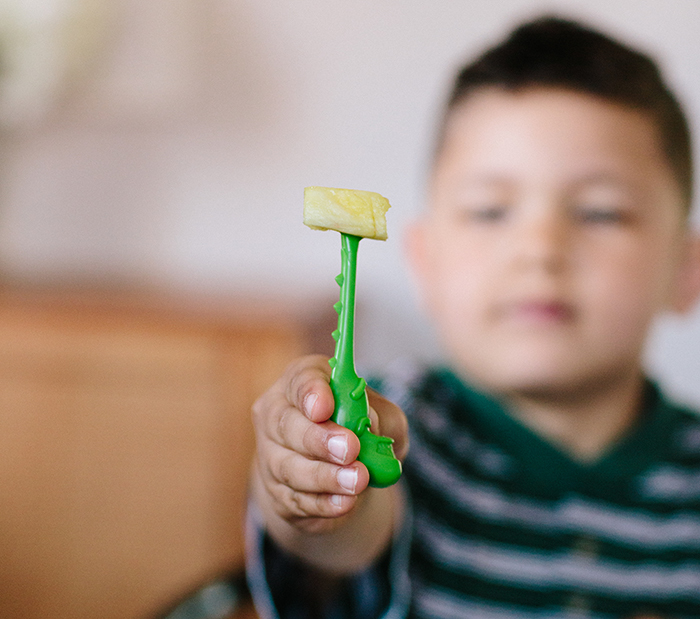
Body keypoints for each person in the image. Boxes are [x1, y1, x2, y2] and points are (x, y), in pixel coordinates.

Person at [246, 15, 700, 619]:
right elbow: (342, 537)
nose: (540, 249)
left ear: (686, 270)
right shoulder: (401, 423)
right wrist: (312, 490)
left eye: (599, 212)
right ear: (424, 262)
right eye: (490, 211)